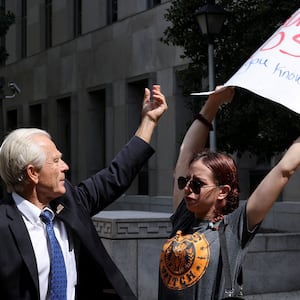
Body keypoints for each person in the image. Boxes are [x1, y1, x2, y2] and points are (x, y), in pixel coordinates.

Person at [0, 84, 167, 300]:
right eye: (56, 161)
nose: (65, 166)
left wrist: (149, 121)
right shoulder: (4, 226)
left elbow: (116, 176)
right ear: (33, 173)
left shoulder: (69, 202)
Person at [158, 86, 300, 299]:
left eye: (197, 184)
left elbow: (283, 170)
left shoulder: (234, 228)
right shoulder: (183, 218)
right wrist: (214, 102)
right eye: (185, 181)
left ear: (222, 191)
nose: (187, 188)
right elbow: (186, 152)